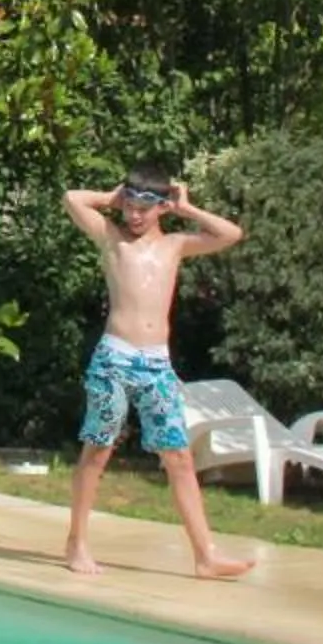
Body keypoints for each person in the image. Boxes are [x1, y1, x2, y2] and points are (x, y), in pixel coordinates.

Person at [60, 163, 255, 581]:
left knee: (180, 457)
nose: (132, 215)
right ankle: (77, 541)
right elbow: (73, 198)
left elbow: (230, 234)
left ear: (161, 208)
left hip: (156, 364)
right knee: (98, 450)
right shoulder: (111, 240)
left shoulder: (176, 246)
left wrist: (186, 208)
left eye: (141, 209)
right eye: (128, 206)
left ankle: (205, 556)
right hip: (114, 358)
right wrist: (112, 197)